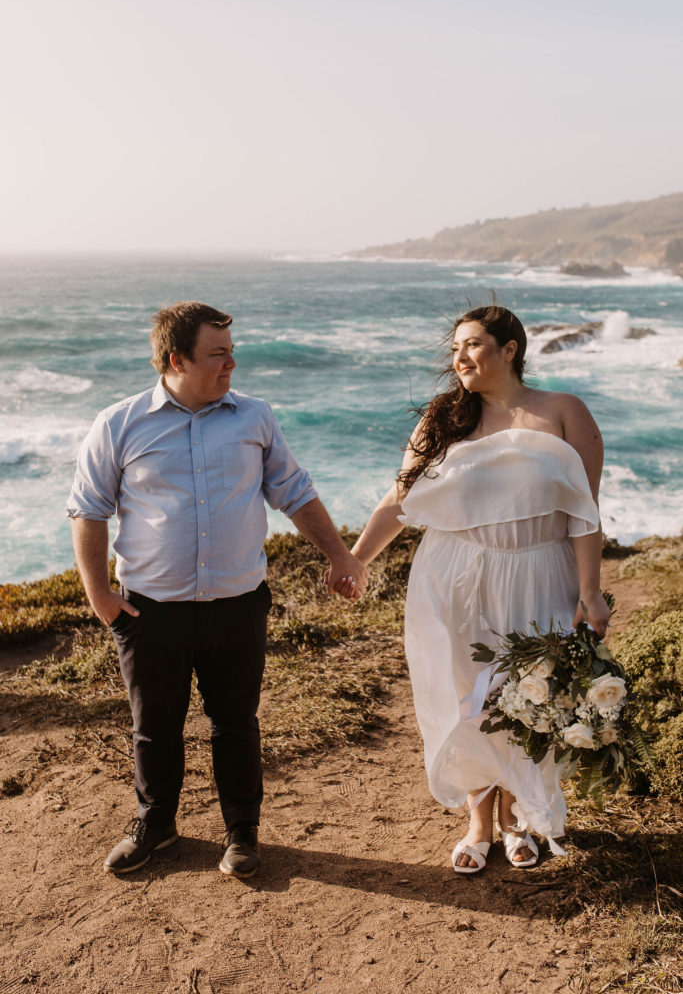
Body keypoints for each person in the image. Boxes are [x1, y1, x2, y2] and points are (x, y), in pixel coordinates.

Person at [67, 301, 368, 879]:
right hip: (151, 610)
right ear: (176, 359)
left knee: (236, 721)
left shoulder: (254, 416)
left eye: (232, 351)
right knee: (154, 726)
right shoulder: (118, 423)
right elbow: (89, 510)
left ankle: (242, 833)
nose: (233, 363)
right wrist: (99, 596)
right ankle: (155, 824)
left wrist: (339, 554)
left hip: (237, 604)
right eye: (218, 354)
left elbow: (293, 490)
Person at [344, 304, 610, 873]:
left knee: (530, 694)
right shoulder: (444, 418)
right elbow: (401, 500)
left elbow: (585, 514)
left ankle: (520, 817)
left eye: (472, 344)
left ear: (509, 348)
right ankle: (480, 820)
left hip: (539, 569)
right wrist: (357, 559)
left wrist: (591, 591)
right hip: (454, 572)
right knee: (467, 694)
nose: (460, 357)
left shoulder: (563, 411)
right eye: (456, 348)